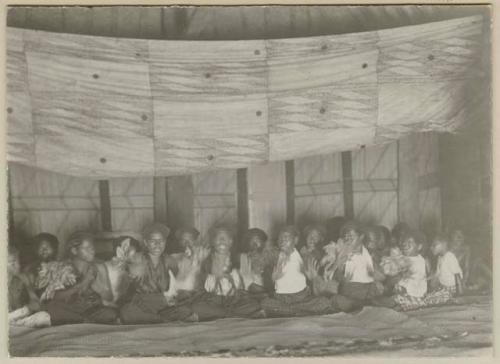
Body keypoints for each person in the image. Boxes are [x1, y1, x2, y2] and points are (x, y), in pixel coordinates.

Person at [261, 226, 354, 317]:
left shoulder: (305, 257)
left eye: (286, 237)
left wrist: (313, 278)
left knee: (323, 302)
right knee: (265, 303)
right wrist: (272, 279)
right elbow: (268, 283)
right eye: (280, 238)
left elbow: (316, 282)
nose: (282, 241)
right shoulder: (274, 256)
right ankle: (297, 312)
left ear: (295, 240)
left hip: (301, 298)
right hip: (281, 298)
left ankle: (289, 312)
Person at [119, 223, 195, 324]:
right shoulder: (137, 258)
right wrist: (130, 274)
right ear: (146, 242)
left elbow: (179, 283)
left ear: (165, 242)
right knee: (126, 311)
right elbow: (124, 285)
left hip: (162, 304)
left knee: (185, 309)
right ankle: (162, 320)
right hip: (141, 303)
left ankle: (155, 319)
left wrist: (186, 267)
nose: (157, 245)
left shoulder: (169, 260)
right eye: (152, 241)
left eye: (161, 241)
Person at [41, 232, 118, 325]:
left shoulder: (99, 267)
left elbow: (109, 297)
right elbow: (55, 297)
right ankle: (84, 321)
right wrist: (83, 284)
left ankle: (82, 321)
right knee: (51, 307)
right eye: (87, 248)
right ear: (74, 250)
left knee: (111, 313)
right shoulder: (62, 267)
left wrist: (98, 288)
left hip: (93, 309)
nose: (92, 250)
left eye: (92, 247)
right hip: (71, 309)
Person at [191, 227, 263, 321]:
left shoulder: (240, 258)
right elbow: (200, 286)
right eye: (218, 238)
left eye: (225, 238)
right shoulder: (206, 259)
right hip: (213, 300)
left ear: (230, 242)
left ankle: (221, 314)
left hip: (235, 299)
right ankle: (231, 314)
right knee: (196, 307)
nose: (222, 241)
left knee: (254, 305)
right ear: (213, 242)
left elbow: (246, 284)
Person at [335, 221, 384, 304]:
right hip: (352, 287)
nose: (347, 239)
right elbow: (336, 274)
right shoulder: (343, 253)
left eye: (350, 236)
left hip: (369, 287)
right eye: (345, 236)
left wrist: (377, 278)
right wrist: (343, 279)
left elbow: (373, 273)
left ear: (361, 237)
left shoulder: (367, 251)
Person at [91, 236, 143, 308]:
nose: (132, 257)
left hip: (120, 303)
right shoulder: (103, 267)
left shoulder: (134, 268)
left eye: (135, 254)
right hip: (104, 303)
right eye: (127, 251)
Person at [8, 245, 50, 327]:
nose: (17, 265)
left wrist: (27, 285)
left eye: (18, 261)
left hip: (16, 319)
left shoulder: (20, 279)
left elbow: (37, 306)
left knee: (44, 317)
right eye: (12, 262)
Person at [389, 230, 428, 311]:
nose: (405, 244)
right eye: (404, 241)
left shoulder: (417, 261)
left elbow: (401, 276)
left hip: (413, 295)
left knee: (390, 301)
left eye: (410, 242)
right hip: (406, 293)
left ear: (419, 246)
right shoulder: (411, 258)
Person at [424, 234, 463, 306]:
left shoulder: (449, 256)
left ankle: (450, 299)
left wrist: (460, 293)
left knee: (428, 300)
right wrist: (425, 279)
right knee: (426, 296)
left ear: (444, 245)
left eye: (434, 245)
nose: (431, 247)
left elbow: (457, 274)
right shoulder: (440, 257)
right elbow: (437, 274)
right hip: (443, 288)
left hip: (451, 289)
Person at [239, 228, 278, 294]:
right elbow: (250, 286)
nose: (255, 244)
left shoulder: (272, 254)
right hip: (255, 295)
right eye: (251, 240)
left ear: (264, 242)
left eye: (258, 240)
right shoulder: (244, 258)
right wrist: (271, 293)